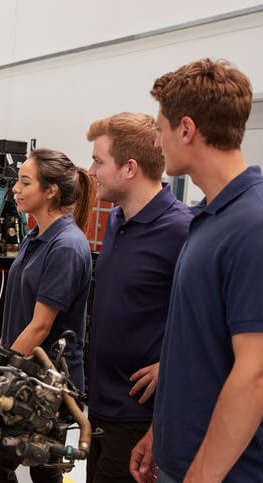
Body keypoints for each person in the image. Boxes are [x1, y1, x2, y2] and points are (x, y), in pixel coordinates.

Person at [130, 58, 263, 483]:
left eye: (160, 127)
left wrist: (200, 474)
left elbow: (255, 373)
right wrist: (161, 433)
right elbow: (198, 345)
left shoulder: (252, 225)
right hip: (181, 458)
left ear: (186, 129)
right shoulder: (208, 216)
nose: (157, 140)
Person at [85, 112, 192, 483]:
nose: (91, 170)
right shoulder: (116, 221)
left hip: (137, 420)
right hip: (100, 408)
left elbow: (216, 322)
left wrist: (170, 366)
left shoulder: (182, 230)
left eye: (99, 161)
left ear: (129, 168)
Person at [0, 148, 94, 483]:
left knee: (43, 475)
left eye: (25, 182)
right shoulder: (36, 235)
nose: (16, 189)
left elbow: (40, 327)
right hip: (25, 375)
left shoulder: (66, 246)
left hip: (49, 385)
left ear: (50, 190)